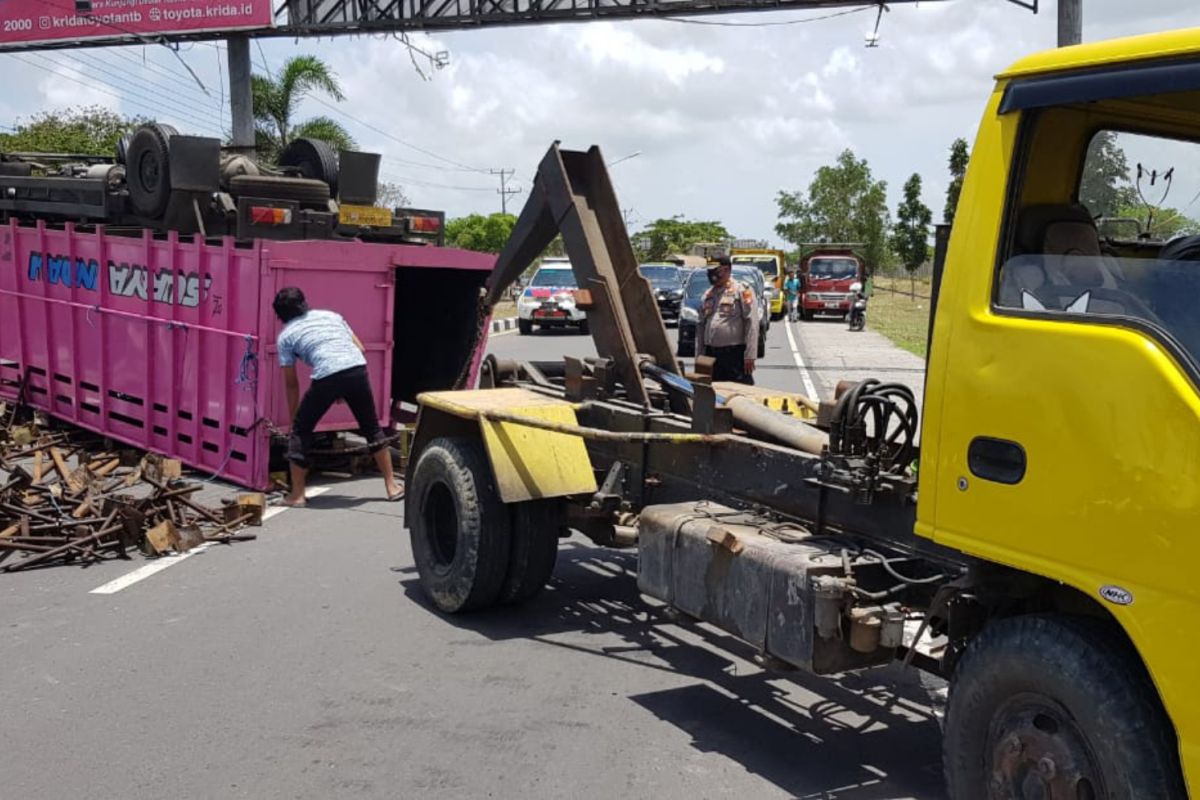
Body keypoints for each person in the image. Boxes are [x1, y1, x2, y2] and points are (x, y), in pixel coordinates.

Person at [273, 287, 403, 507]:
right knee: (371, 427)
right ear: (304, 303)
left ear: (281, 315)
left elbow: (291, 383)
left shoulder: (286, 336)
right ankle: (391, 486)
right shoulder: (331, 316)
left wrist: (295, 419)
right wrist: (344, 388)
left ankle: (297, 495)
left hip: (326, 376)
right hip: (356, 369)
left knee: (301, 432)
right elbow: (359, 348)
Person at [696, 256, 759, 384]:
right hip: (711, 354)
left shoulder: (741, 290)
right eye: (710, 271)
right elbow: (701, 327)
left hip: (734, 354)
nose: (712, 275)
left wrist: (750, 355)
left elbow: (751, 322)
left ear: (727, 270)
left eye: (716, 271)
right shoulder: (708, 294)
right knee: (712, 392)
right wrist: (699, 356)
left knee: (740, 391)